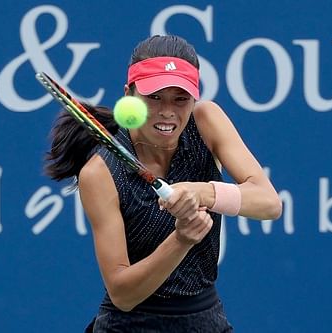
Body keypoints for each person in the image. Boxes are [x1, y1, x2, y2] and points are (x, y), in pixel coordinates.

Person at [45, 34, 282, 332]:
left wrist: (201, 192)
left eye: (180, 98)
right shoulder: (100, 172)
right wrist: (181, 240)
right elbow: (122, 294)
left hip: (205, 320)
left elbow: (269, 204)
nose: (168, 111)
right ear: (129, 95)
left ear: (194, 99)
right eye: (154, 97)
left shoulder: (206, 120)